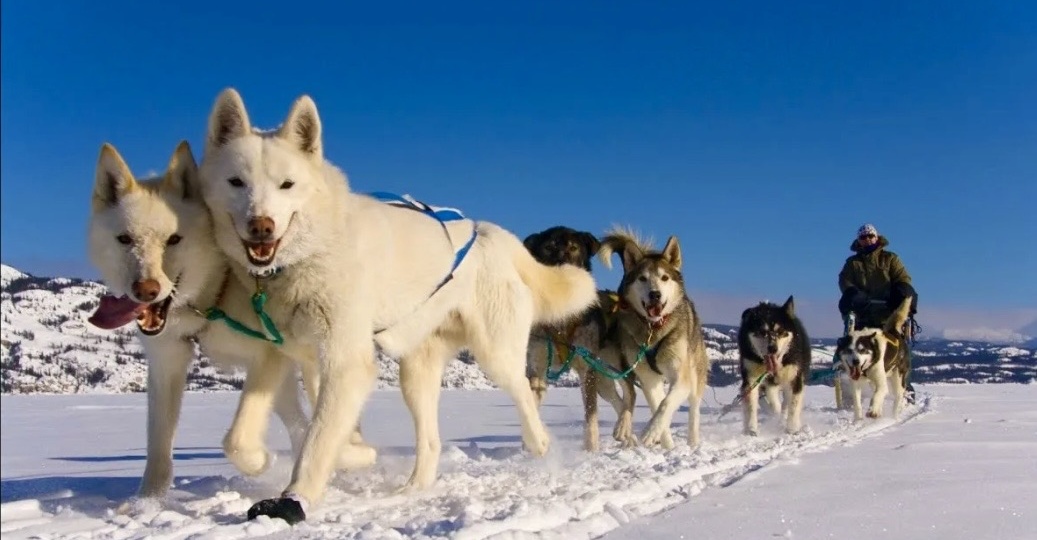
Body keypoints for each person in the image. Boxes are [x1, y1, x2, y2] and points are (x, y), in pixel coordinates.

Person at [838, 223, 918, 402]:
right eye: (863, 237)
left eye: (870, 236)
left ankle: (904, 387)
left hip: (888, 315)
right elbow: (845, 281)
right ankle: (853, 392)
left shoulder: (890, 259)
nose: (867, 240)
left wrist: (902, 291)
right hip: (863, 315)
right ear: (859, 240)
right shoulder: (853, 263)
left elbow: (903, 278)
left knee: (900, 353)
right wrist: (852, 293)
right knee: (854, 351)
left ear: (877, 237)